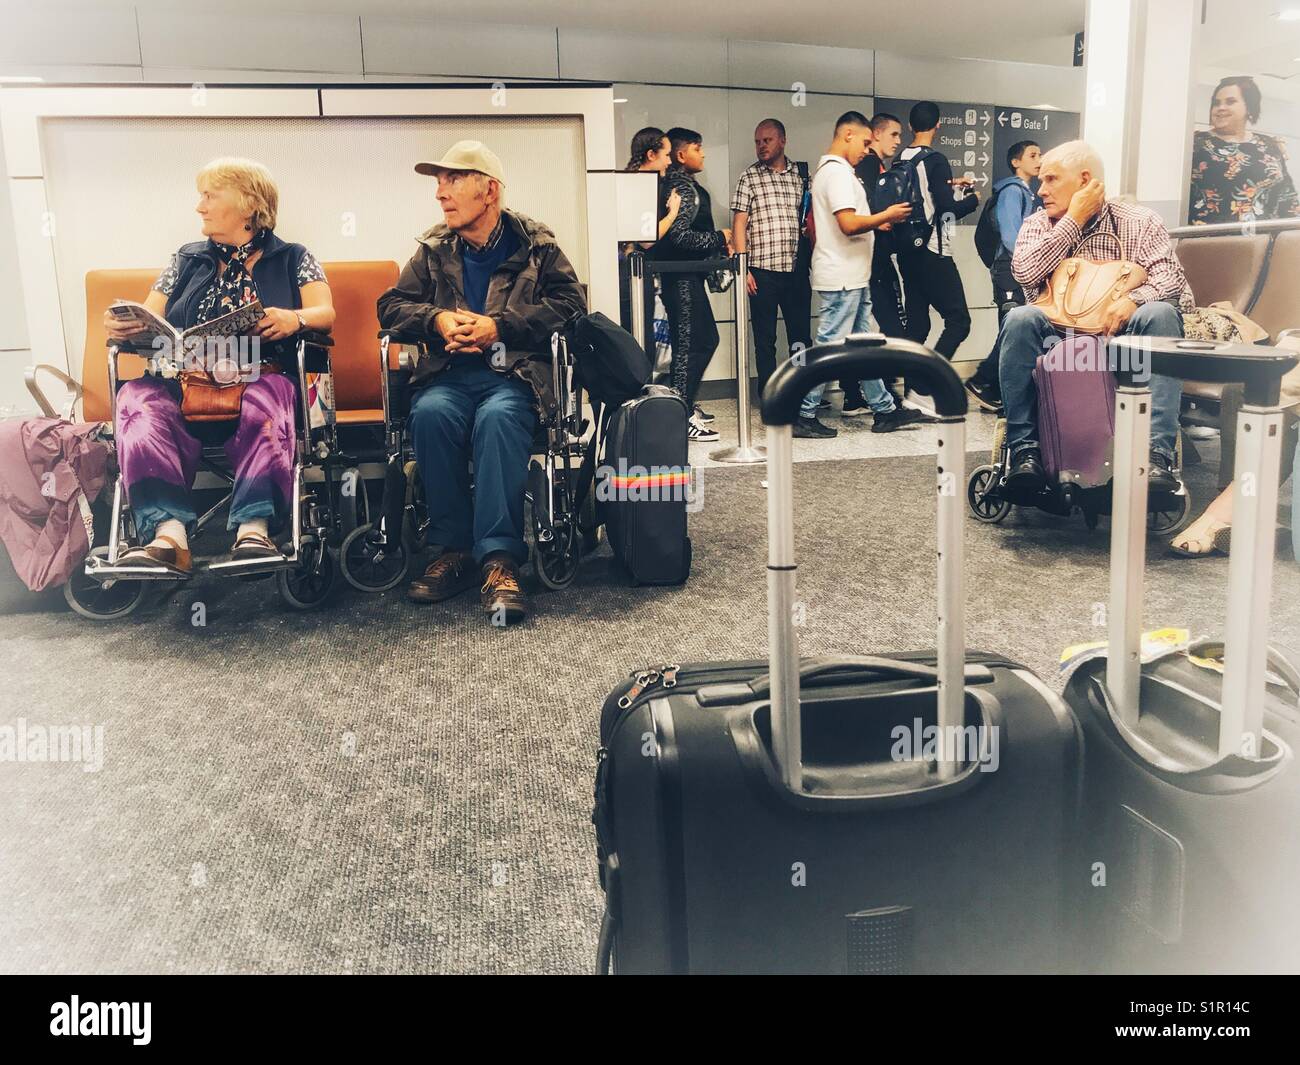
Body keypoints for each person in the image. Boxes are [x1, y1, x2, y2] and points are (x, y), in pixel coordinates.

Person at [376, 141, 585, 624]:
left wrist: (501, 326)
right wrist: (438, 321)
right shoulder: (432, 249)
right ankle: (452, 551)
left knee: (498, 419)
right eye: (438, 183)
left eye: (452, 181)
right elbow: (389, 307)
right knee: (429, 414)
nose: (440, 194)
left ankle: (498, 559)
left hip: (514, 377)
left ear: (489, 190)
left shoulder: (537, 245)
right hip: (448, 374)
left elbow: (571, 308)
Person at [103, 157, 335, 575]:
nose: (200, 207)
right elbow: (148, 316)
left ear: (248, 205)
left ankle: (254, 527)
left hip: (257, 373)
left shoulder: (293, 257)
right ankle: (168, 536)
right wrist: (124, 326)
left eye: (210, 196)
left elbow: (325, 312)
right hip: (183, 378)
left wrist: (292, 318)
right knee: (136, 400)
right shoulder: (185, 260)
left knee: (271, 397)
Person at [1000, 140, 1192, 495]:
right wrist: (1074, 220)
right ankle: (1025, 453)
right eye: (1041, 180)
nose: (1041, 190)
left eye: (1052, 179)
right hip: (1057, 336)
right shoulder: (1039, 224)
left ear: (1085, 179)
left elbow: (1170, 278)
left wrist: (1135, 299)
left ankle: (1156, 457)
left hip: (1119, 339)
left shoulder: (1139, 220)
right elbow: (1024, 273)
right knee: (1019, 318)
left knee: (1160, 312)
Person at [799, 111, 920, 438]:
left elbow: (850, 222)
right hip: (842, 277)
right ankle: (803, 412)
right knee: (828, 348)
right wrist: (886, 214)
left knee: (862, 347)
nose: (867, 149)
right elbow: (848, 224)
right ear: (847, 135)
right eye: (865, 142)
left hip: (851, 274)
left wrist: (876, 222)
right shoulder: (837, 174)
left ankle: (884, 410)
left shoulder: (835, 172)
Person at [894, 101, 980, 394]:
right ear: (938, 125)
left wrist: (952, 184)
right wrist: (973, 200)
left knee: (917, 326)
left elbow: (925, 194)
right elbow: (946, 209)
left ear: (909, 127)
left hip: (907, 252)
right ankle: (927, 384)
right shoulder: (936, 159)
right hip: (934, 252)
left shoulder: (900, 158)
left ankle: (910, 388)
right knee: (959, 321)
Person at [657, 127, 732, 442]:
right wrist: (721, 237)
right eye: (697, 148)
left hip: (685, 277)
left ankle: (680, 406)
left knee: (694, 344)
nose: (703, 154)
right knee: (696, 344)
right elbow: (680, 236)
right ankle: (680, 413)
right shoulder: (683, 189)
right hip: (682, 278)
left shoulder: (681, 185)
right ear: (681, 154)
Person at [730, 118, 813, 399]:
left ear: (783, 140)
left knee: (800, 338)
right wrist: (743, 270)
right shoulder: (749, 177)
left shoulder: (802, 175)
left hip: (796, 270)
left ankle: (801, 394)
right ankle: (769, 396)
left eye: (766, 140)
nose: (761, 146)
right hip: (761, 272)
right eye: (757, 142)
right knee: (765, 341)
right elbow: (739, 224)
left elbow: (811, 217)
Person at [965, 140, 1042, 412]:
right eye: (1032, 155)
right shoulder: (1012, 191)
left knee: (1013, 328)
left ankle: (993, 387)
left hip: (1013, 267)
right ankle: (983, 381)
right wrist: (1031, 261)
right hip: (1010, 268)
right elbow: (1012, 236)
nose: (1038, 159)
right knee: (1013, 329)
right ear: (1015, 162)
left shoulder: (1026, 193)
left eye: (1039, 155)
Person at [847, 111, 908, 413]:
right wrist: (883, 219)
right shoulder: (872, 166)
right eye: (894, 134)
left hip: (869, 261)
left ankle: (857, 394)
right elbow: (865, 213)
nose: (898, 141)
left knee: (860, 330)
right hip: (874, 261)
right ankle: (884, 396)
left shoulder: (873, 166)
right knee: (890, 328)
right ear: (877, 134)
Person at [1189, 76, 1300, 226]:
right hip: (1208, 241)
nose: (1221, 107)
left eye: (1230, 101)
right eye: (1216, 103)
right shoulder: (1194, 143)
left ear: (1249, 107)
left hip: (1263, 241)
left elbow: (1286, 197)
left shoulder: (1269, 145)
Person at [619, 127, 681, 353]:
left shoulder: (627, 181)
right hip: (631, 274)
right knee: (640, 343)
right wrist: (673, 212)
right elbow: (646, 239)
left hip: (625, 272)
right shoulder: (639, 185)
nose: (668, 161)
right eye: (666, 155)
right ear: (651, 155)